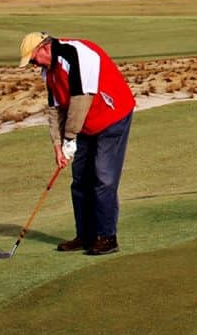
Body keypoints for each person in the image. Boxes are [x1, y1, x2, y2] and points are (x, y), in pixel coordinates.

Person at [18, 31, 136, 256]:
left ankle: (106, 237)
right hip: (86, 124)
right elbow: (55, 110)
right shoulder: (48, 71)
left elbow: (81, 101)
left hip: (112, 115)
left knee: (103, 178)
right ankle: (86, 235)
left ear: (43, 48)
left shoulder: (75, 55)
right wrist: (57, 145)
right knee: (80, 179)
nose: (34, 65)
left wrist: (69, 139)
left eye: (33, 59)